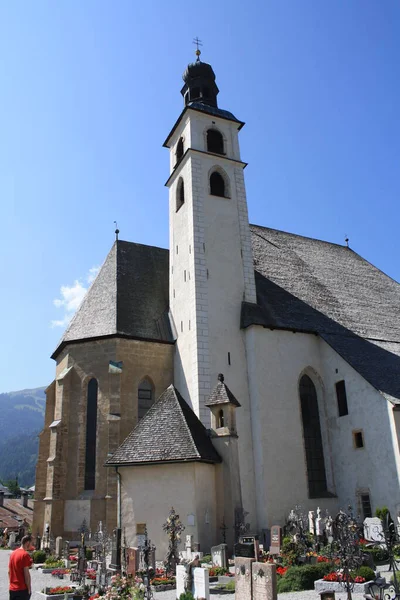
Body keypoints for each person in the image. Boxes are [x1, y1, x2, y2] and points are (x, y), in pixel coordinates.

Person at [8, 534, 33, 600]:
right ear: (27, 543)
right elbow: (26, 574)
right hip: (22, 589)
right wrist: (29, 588)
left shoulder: (13, 554)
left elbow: (9, 572)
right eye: (31, 543)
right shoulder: (25, 555)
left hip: (12, 589)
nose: (31, 546)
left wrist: (11, 583)